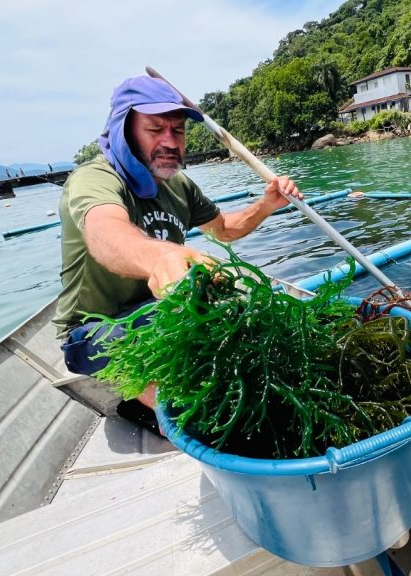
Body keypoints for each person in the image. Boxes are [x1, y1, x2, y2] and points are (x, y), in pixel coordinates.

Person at [52, 75, 302, 433]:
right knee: (205, 417)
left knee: (248, 317)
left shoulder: (178, 185)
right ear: (124, 131)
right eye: (155, 129)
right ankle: (145, 405)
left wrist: (266, 205)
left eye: (178, 131)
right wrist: (160, 257)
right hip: (92, 331)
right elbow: (105, 232)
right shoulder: (95, 179)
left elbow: (224, 229)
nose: (170, 142)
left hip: (162, 311)